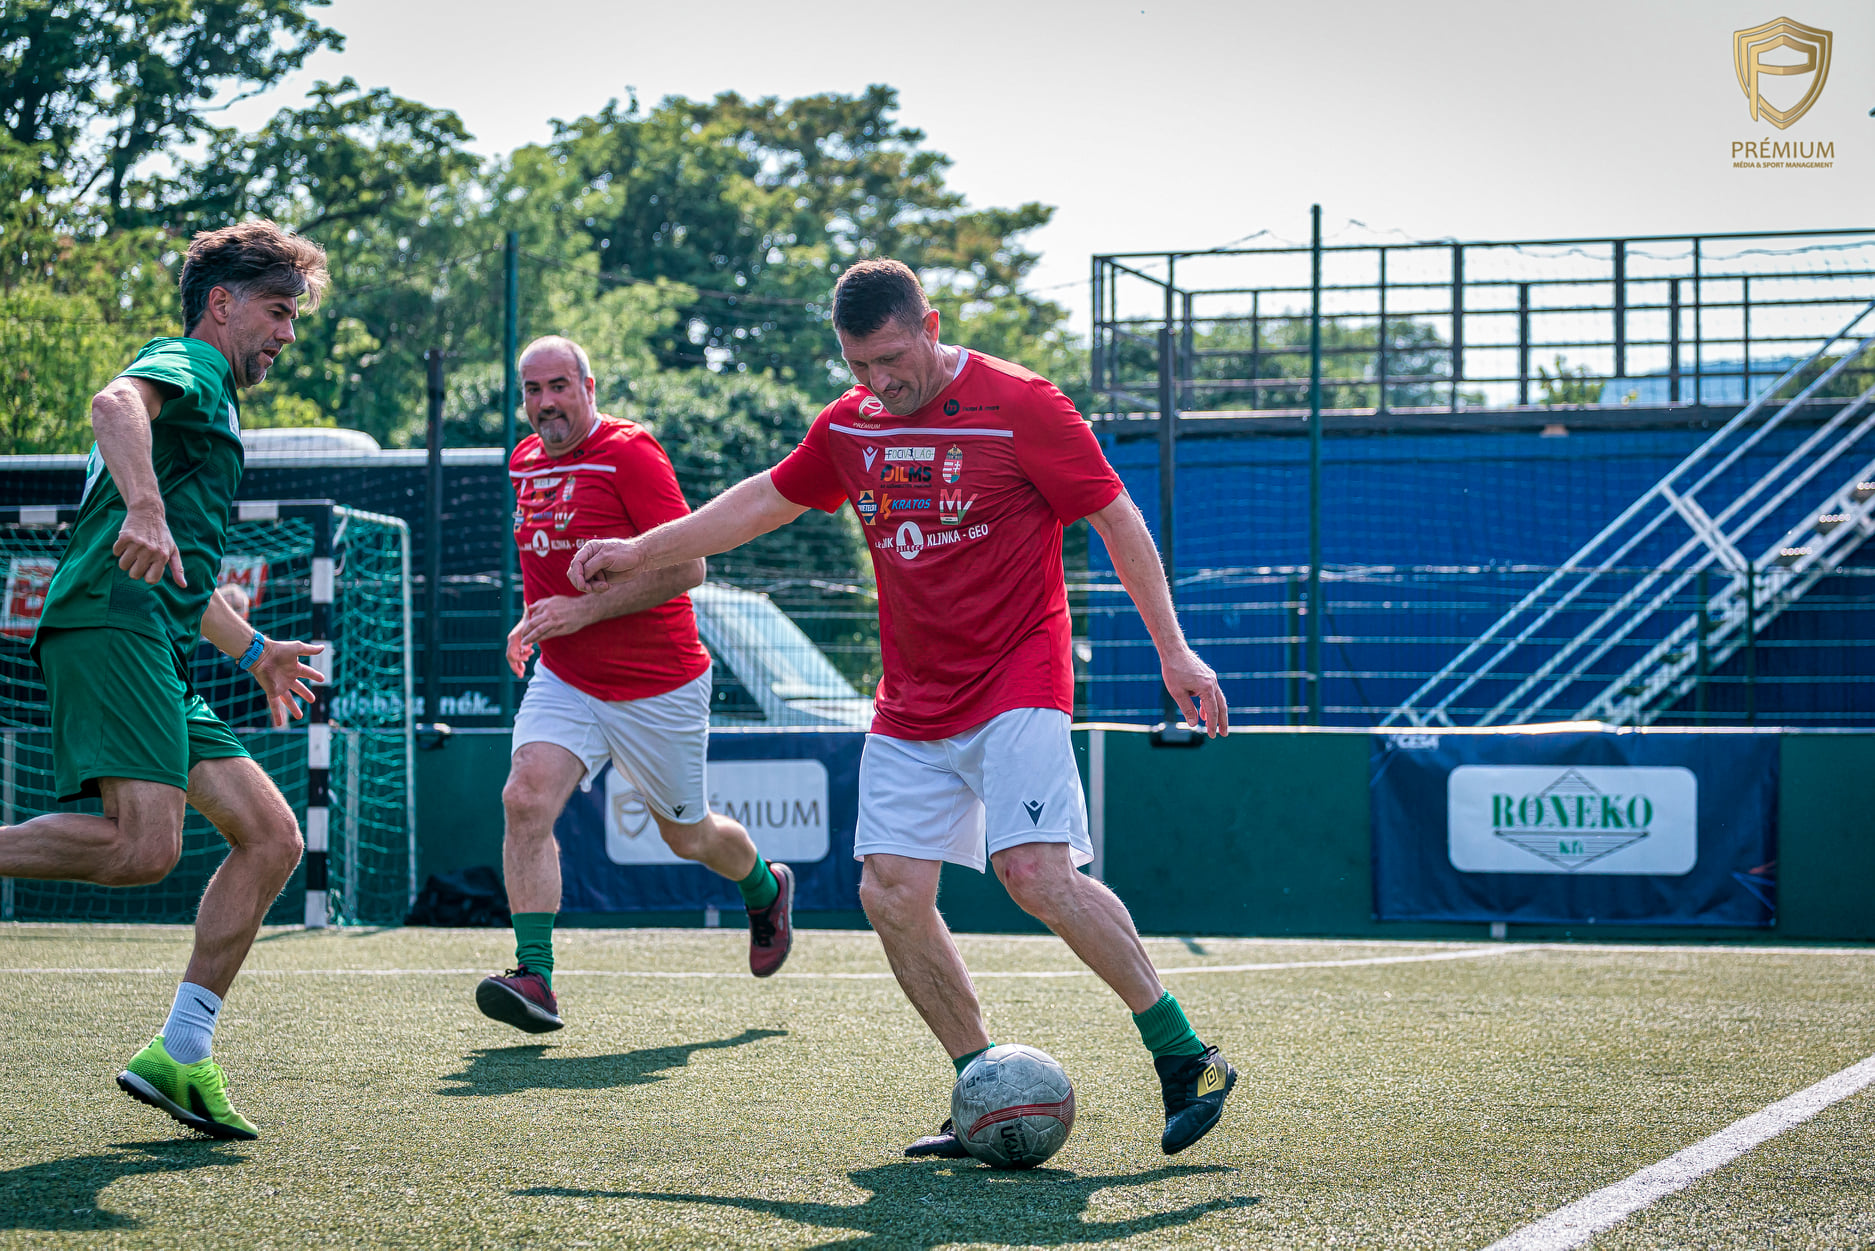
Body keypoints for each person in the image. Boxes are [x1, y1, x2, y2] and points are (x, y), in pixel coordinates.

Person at [569, 260, 1238, 1156]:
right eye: (858, 365)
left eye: (890, 358)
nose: (878, 381)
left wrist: (1172, 649)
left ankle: (1184, 1054)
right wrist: (639, 550)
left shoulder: (1021, 402)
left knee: (1034, 873)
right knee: (888, 892)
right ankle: (981, 1085)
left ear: (931, 324)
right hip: (911, 698)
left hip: (1016, 675)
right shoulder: (850, 423)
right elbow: (763, 499)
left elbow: (1114, 516)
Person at [0, 220, 330, 1140]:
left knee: (271, 836)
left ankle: (181, 1050)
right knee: (143, 847)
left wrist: (254, 650)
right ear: (221, 303)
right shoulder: (192, 363)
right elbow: (113, 404)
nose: (287, 334)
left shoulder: (214, 398)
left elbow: (182, 568)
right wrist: (143, 505)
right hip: (114, 623)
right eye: (277, 311)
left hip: (154, 637)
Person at [475, 335, 794, 1034]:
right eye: (532, 390)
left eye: (559, 385)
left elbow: (688, 568)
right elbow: (549, 569)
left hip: (659, 686)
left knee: (688, 836)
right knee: (524, 797)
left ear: (588, 387)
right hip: (566, 677)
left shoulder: (630, 452)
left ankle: (764, 885)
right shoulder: (523, 461)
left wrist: (579, 611)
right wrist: (534, 620)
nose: (545, 402)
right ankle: (535, 977)